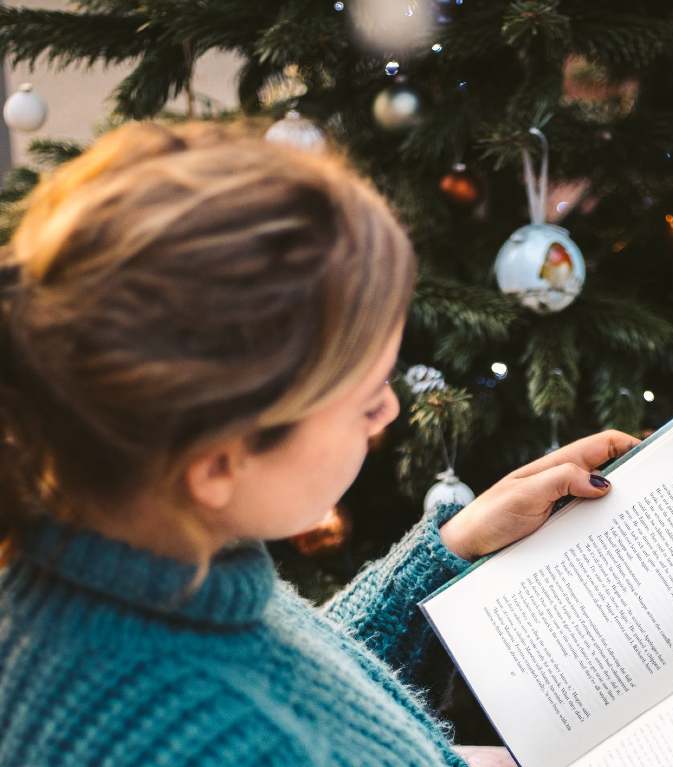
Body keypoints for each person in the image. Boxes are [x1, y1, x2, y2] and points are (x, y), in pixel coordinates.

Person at [0, 121, 639, 767]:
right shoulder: (191, 741)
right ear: (219, 461)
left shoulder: (161, 552)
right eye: (365, 399)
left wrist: (452, 548)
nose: (390, 408)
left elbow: (299, 686)